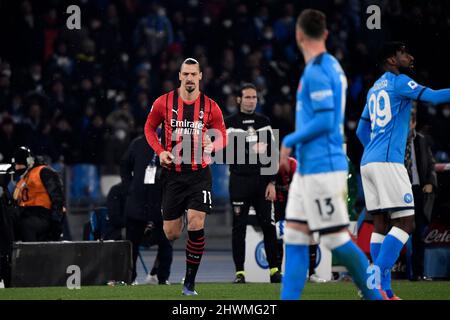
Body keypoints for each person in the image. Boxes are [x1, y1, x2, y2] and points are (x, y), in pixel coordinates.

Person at [279, 9, 382, 300]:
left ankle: (375, 297)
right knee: (296, 238)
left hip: (324, 169)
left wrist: (289, 140)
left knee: (336, 241)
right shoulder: (332, 65)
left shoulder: (318, 71)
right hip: (308, 170)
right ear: (324, 34)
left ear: (298, 35)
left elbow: (325, 121)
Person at [356, 41, 450, 299]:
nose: (409, 56)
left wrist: (372, 152)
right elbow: (433, 96)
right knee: (406, 223)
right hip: (388, 163)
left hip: (368, 163)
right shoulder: (399, 82)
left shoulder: (374, 89)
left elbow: (360, 130)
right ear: (391, 59)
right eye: (403, 53)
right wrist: (385, 154)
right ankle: (373, 281)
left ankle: (385, 291)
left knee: (380, 225)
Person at [144, 58, 227, 295]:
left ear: (201, 76)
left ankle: (189, 283)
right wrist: (160, 152)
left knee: (196, 222)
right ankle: (177, 215)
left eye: (194, 74)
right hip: (172, 176)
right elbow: (149, 128)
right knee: (171, 233)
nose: (190, 78)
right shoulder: (163, 102)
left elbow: (222, 135)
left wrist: (212, 145)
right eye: (186, 74)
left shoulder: (211, 106)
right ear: (179, 76)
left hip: (200, 175)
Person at [224, 83, 281, 284]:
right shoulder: (228, 123)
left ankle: (275, 270)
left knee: (269, 226)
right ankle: (240, 273)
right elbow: (224, 153)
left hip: (262, 182)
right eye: (247, 97)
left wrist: (272, 182)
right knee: (238, 228)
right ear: (239, 100)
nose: (251, 101)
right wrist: (251, 149)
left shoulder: (264, 122)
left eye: (254, 97)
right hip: (239, 182)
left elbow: (272, 155)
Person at [120, 135, 173, 285]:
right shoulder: (138, 143)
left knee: (166, 242)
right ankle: (130, 278)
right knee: (132, 244)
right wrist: (129, 187)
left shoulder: (173, 143)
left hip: (162, 201)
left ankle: (162, 278)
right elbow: (124, 165)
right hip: (138, 201)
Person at [405, 108, 437, 280]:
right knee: (399, 229)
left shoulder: (423, 141)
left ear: (414, 123)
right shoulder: (396, 141)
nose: (407, 125)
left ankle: (418, 273)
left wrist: (430, 183)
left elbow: (431, 164)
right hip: (400, 190)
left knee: (418, 233)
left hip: (417, 190)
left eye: (409, 122)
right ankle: (394, 271)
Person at [12, 146, 65, 242]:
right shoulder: (22, 180)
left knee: (26, 225)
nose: (17, 167)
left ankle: (31, 254)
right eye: (16, 164)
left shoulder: (44, 171)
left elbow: (58, 198)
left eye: (19, 164)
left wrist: (56, 222)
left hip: (43, 216)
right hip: (26, 214)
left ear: (29, 161)